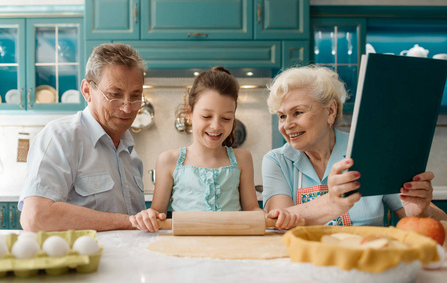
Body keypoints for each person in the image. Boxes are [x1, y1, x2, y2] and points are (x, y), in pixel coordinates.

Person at [262, 65, 447, 226]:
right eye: (282, 116)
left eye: (298, 112)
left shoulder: (371, 152)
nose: (287, 125)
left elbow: (441, 222)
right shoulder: (277, 160)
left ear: (331, 111)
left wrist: (421, 212)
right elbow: (277, 221)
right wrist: (331, 203)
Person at [130, 67, 303, 231]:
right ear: (189, 113)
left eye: (226, 118)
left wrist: (272, 216)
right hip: (185, 248)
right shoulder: (168, 160)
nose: (215, 126)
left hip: (230, 249)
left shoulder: (242, 159)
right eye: (206, 116)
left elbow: (251, 209)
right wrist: (149, 216)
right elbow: (157, 213)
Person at [19, 43, 148, 232]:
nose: (127, 108)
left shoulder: (131, 156)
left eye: (136, 96)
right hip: (82, 261)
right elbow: (36, 217)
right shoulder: (61, 137)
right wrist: (128, 221)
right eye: (115, 95)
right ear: (87, 91)